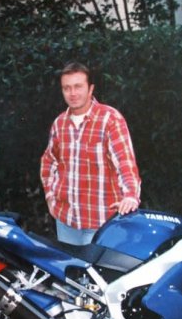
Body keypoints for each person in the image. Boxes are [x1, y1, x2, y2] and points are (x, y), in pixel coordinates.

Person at [40, 62, 141, 246]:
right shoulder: (59, 124)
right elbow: (49, 162)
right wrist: (50, 198)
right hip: (66, 222)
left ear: (90, 88)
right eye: (67, 88)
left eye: (78, 86)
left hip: (101, 223)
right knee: (69, 266)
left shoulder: (110, 119)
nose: (72, 93)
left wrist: (130, 195)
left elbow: (125, 163)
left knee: (100, 266)